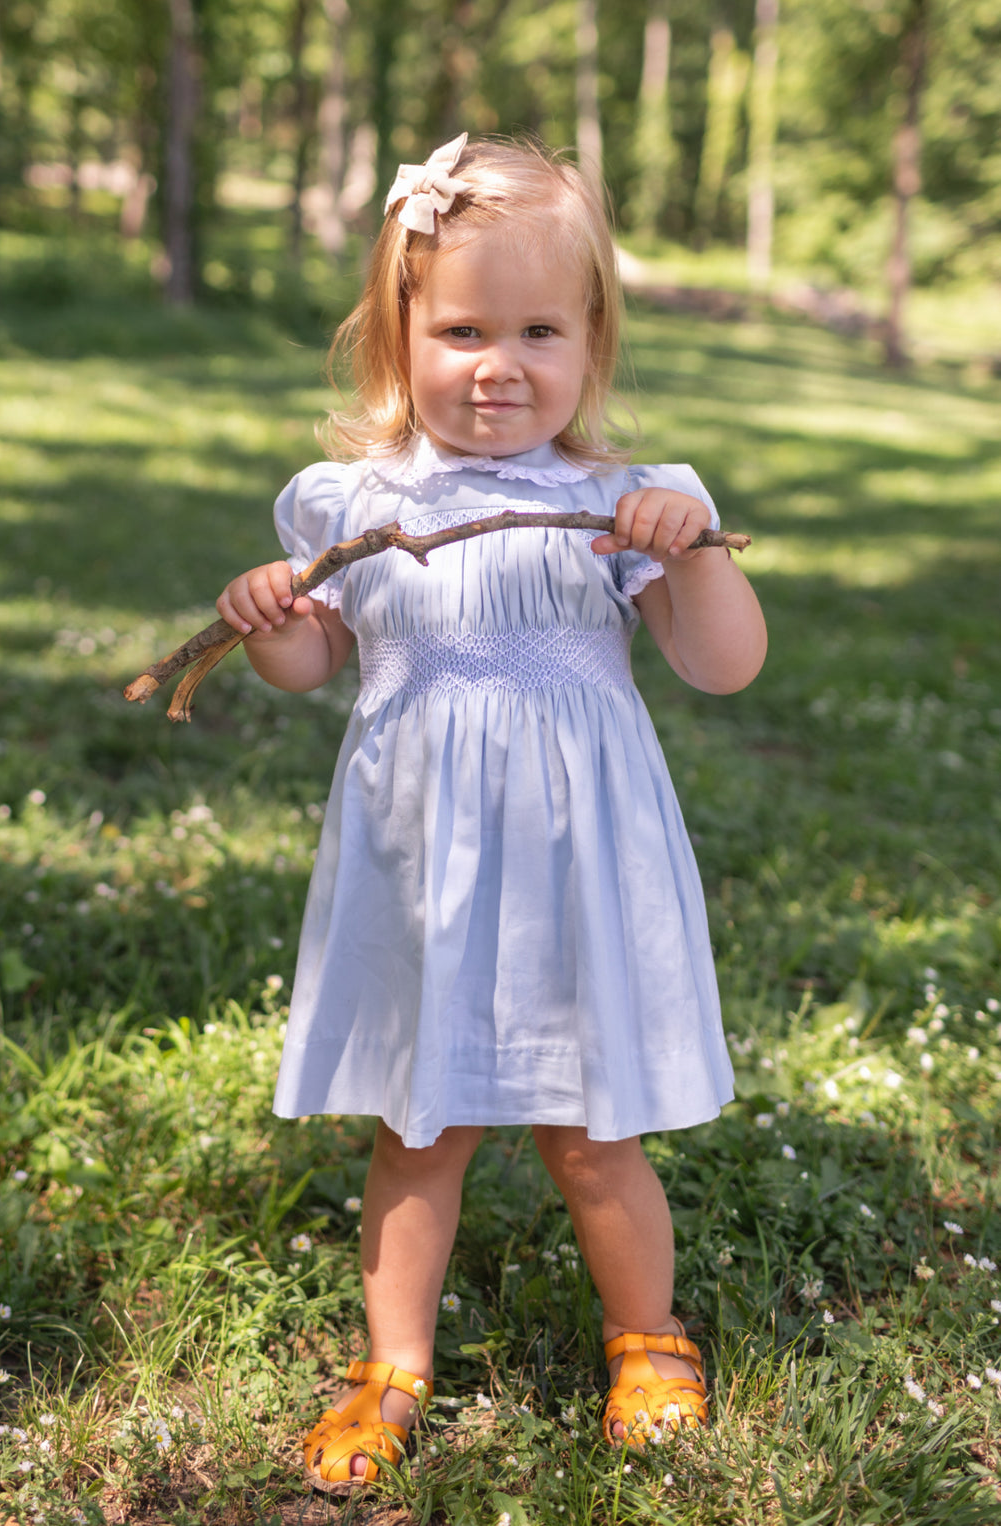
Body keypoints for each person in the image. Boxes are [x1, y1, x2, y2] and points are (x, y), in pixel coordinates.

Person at [216, 132, 767, 1493]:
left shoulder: (622, 504)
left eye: (537, 329)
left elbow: (723, 662)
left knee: (593, 1132)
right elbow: (310, 666)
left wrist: (688, 554)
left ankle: (649, 1335)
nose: (497, 364)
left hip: (577, 863)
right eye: (460, 328)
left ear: (592, 342)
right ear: (398, 336)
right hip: (423, 871)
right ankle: (391, 1360)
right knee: (416, 1127)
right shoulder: (359, 506)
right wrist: (269, 618)